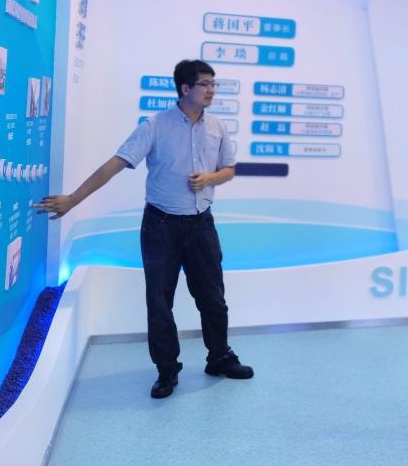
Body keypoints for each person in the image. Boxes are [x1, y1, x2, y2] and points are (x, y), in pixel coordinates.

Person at [36, 60, 252, 399]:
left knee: (213, 298)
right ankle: (167, 370)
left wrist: (210, 178)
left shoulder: (217, 127)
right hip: (161, 226)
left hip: (201, 225)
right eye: (205, 84)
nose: (211, 90)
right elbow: (115, 164)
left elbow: (228, 169)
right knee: (159, 302)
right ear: (185, 88)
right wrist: (73, 199)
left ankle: (219, 357)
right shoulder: (155, 125)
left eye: (213, 84)